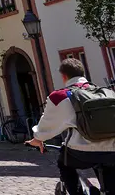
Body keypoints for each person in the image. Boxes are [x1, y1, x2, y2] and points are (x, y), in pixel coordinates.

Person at [26, 58, 115, 194]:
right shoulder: (106, 92)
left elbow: (47, 126)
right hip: (112, 149)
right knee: (108, 170)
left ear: (63, 76)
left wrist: (37, 139)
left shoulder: (60, 96)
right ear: (83, 72)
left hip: (81, 152)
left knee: (64, 164)